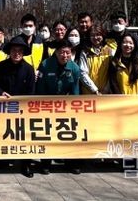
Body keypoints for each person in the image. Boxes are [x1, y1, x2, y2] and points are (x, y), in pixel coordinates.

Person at [0, 37, 35, 178]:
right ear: (9, 52)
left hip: (22, 109)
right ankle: (3, 160)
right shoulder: (0, 66)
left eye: (20, 51)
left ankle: (25, 164)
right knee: (4, 134)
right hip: (3, 107)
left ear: (23, 52)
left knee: (24, 136)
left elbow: (31, 91)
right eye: (14, 50)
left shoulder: (28, 69)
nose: (17, 53)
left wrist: (22, 102)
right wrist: (1, 93)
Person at [35, 40, 82, 175]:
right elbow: (41, 88)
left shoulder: (74, 68)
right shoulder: (46, 64)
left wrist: (74, 108)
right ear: (56, 53)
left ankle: (70, 163)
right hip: (47, 105)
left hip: (65, 107)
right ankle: (45, 163)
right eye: (61, 52)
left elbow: (75, 91)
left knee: (67, 134)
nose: (64, 55)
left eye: (67, 52)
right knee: (48, 135)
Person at [78, 26, 113, 95]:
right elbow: (82, 72)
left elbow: (112, 73)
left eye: (98, 35)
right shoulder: (85, 51)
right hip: (89, 92)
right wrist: (94, 90)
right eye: (92, 35)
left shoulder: (109, 50)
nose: (95, 37)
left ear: (103, 35)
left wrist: (106, 89)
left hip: (106, 92)